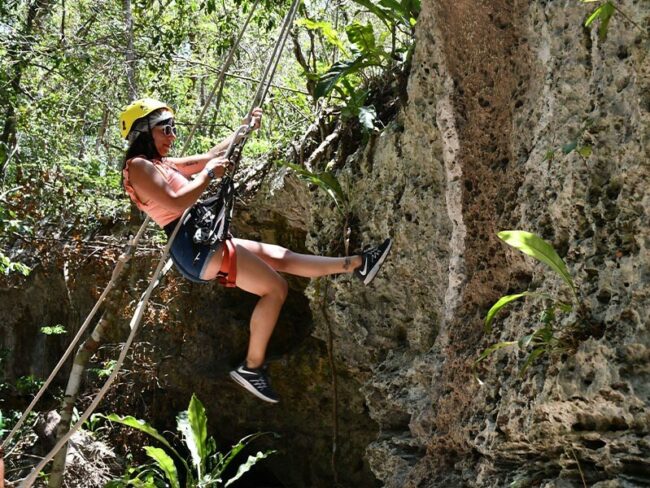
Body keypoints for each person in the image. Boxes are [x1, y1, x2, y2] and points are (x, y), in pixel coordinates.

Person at [119, 98, 392, 403]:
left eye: (173, 129)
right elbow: (175, 201)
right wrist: (208, 174)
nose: (172, 136)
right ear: (143, 131)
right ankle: (252, 366)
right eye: (165, 129)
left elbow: (210, 155)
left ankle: (358, 264)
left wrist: (243, 130)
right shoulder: (138, 166)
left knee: (280, 257)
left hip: (201, 242)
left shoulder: (160, 164)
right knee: (275, 288)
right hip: (193, 245)